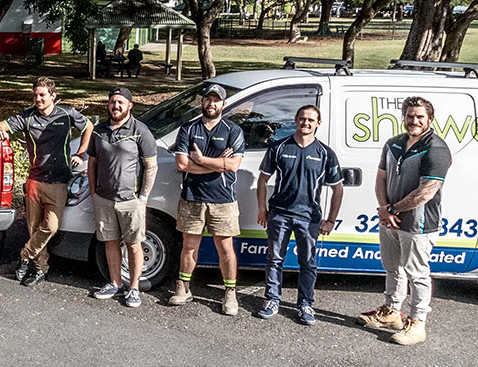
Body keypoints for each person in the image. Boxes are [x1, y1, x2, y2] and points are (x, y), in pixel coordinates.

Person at [357, 96, 451, 345]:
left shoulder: (436, 148)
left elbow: (426, 191)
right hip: (390, 220)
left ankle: (417, 323)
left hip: (418, 225)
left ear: (430, 119)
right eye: (410, 116)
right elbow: (380, 178)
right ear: (403, 116)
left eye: (420, 116)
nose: (414, 121)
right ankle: (391, 312)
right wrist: (384, 210)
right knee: (393, 268)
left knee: (417, 274)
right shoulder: (393, 144)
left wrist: (393, 209)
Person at [0, 76, 94, 287]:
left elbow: (88, 127)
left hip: (58, 182)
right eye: (35, 95)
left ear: (53, 96)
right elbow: (1, 123)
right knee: (34, 227)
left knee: (50, 226)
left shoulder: (67, 114)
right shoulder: (28, 117)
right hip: (34, 181)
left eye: (42, 95)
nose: (38, 99)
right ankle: (40, 269)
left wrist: (81, 152)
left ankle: (24, 256)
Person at [255, 105, 344, 325]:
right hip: (280, 214)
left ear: (318, 124)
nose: (306, 123)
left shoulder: (325, 153)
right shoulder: (279, 147)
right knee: (275, 259)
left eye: (311, 120)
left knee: (308, 263)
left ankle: (305, 304)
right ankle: (272, 300)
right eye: (302, 118)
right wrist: (262, 209)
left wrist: (331, 219)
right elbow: (263, 180)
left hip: (309, 217)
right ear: (296, 120)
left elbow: (338, 188)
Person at [168, 84, 244, 315]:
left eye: (216, 100)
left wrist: (200, 160)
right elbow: (181, 164)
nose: (212, 104)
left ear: (224, 104)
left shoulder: (233, 130)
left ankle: (230, 293)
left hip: (223, 200)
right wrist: (217, 164)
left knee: (225, 248)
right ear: (202, 102)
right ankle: (183, 287)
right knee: (189, 246)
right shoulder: (188, 129)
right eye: (208, 99)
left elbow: (233, 165)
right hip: (192, 198)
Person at [86, 87, 157, 308]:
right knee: (110, 243)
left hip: (131, 200)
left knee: (134, 244)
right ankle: (115, 283)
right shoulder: (99, 131)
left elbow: (151, 166)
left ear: (129, 106)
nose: (116, 106)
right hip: (105, 199)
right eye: (112, 102)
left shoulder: (140, 131)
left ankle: (134, 287)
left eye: (120, 103)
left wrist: (143, 196)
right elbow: (92, 162)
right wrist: (93, 191)